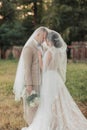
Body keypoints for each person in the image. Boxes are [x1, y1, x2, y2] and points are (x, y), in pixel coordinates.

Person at [21, 30, 87, 130]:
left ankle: (51, 121)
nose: (45, 41)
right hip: (56, 77)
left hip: (49, 78)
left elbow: (44, 68)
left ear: (49, 40)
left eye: (46, 39)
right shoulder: (59, 52)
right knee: (58, 100)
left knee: (49, 100)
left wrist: (39, 57)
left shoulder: (49, 52)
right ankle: (57, 120)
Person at [13, 27, 48, 125]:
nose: (44, 40)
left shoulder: (42, 47)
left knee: (39, 106)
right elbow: (26, 68)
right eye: (43, 37)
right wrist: (29, 85)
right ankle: (32, 125)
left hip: (41, 82)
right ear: (38, 34)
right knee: (32, 106)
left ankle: (38, 125)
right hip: (33, 83)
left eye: (45, 38)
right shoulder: (29, 47)